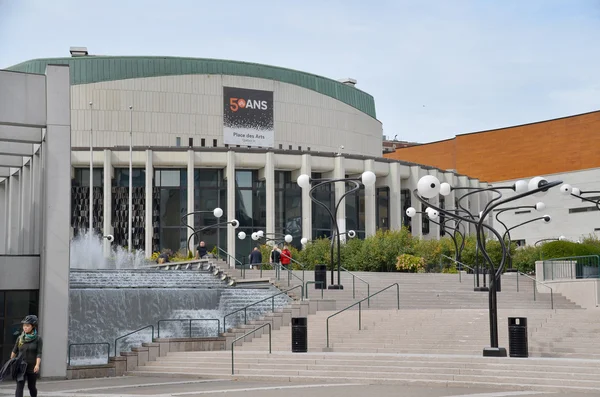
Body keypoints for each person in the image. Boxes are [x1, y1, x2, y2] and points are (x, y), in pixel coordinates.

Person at [10, 315, 42, 397]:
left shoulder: (38, 339)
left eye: (27, 326)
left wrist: (37, 365)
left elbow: (39, 353)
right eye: (24, 325)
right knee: (19, 387)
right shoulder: (20, 338)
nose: (25, 327)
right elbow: (14, 351)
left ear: (33, 326)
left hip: (32, 367)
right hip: (21, 366)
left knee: (31, 387)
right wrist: (11, 361)